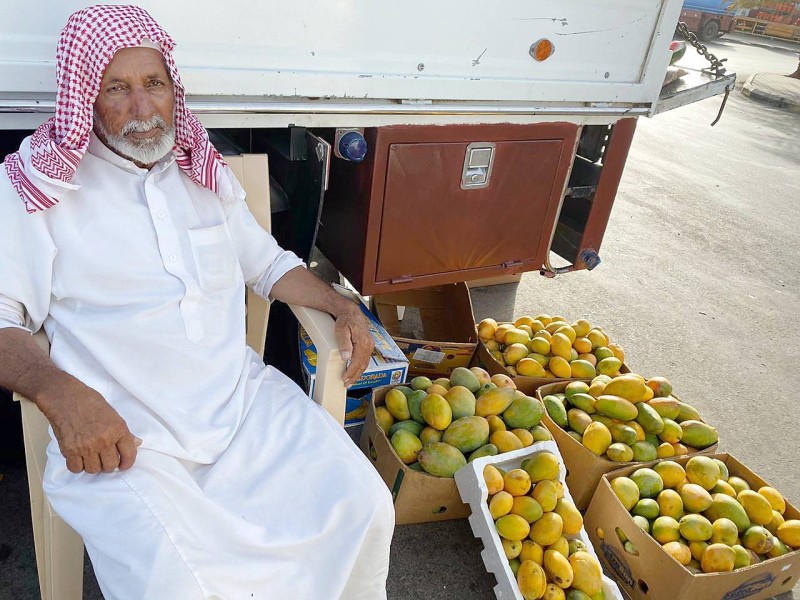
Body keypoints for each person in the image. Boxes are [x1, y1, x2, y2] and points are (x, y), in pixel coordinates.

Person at [0, 5, 394, 599]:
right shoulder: (39, 188)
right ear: (84, 96)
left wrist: (340, 305)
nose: (142, 107)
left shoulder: (200, 172)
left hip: (240, 410)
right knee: (179, 584)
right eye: (118, 88)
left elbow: (266, 263)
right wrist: (62, 395)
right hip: (126, 438)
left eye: (154, 84)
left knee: (364, 506)